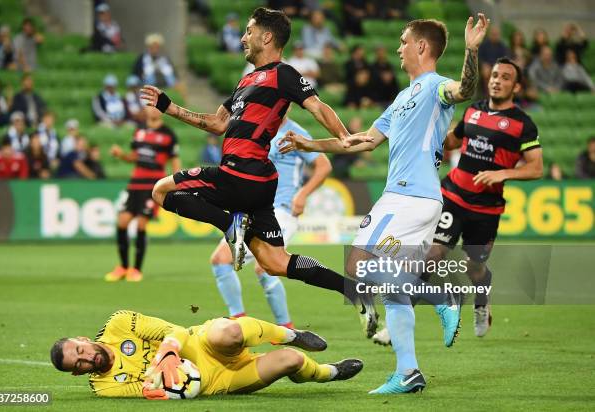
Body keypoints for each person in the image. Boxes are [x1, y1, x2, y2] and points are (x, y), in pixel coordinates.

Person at [279, 14, 490, 394]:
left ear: (421, 47)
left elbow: (465, 90)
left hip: (409, 197)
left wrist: (472, 49)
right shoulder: (402, 97)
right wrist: (308, 144)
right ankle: (408, 372)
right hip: (411, 200)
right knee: (391, 282)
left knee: (358, 266)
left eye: (404, 41)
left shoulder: (434, 87)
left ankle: (440, 296)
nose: (398, 48)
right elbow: (362, 140)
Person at [140, 7, 377, 336]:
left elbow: (317, 106)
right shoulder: (245, 81)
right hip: (261, 183)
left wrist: (343, 136)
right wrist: (169, 107)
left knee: (160, 191)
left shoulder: (284, 74)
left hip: (238, 173)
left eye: (248, 32)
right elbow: (216, 123)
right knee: (275, 263)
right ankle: (352, 290)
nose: (242, 38)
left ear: (267, 37)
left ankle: (230, 225)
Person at [419, 57, 541, 340]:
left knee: (476, 268)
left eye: (506, 77)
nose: (497, 80)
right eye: (495, 75)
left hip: (486, 209)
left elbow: (536, 168)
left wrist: (503, 174)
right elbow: (453, 140)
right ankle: (400, 318)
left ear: (517, 86)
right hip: (454, 195)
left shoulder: (523, 125)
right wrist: (429, 134)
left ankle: (481, 303)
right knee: (433, 256)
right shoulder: (474, 110)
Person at [50, 310, 363, 398]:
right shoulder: (104, 387)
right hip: (215, 381)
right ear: (78, 372)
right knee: (292, 361)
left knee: (229, 331)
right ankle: (328, 373)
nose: (86, 357)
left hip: (200, 342)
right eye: (78, 363)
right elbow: (150, 389)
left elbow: (173, 331)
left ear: (82, 339)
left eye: (81, 350)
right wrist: (164, 388)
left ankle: (292, 334)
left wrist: (169, 354)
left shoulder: (119, 324)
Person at [209, 113, 332, 327]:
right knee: (220, 260)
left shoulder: (295, 133)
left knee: (265, 265)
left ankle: (285, 327)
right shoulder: (254, 130)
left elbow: (324, 165)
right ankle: (238, 321)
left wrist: (302, 194)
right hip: (253, 208)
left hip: (282, 209)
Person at [105, 106, 181, 282]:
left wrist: (177, 182)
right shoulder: (139, 131)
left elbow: (174, 160)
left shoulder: (169, 134)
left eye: (156, 107)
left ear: (161, 111)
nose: (153, 110)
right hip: (136, 183)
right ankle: (123, 267)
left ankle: (136, 269)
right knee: (122, 222)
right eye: (150, 107)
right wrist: (121, 155)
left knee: (141, 224)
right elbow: (134, 157)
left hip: (153, 185)